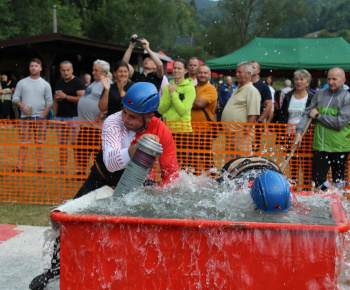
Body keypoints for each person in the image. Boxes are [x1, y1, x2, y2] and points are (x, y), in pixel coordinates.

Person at [29, 82, 179, 290]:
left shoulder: (163, 131)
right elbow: (110, 162)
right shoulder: (112, 121)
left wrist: (160, 196)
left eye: (133, 117)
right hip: (102, 178)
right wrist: (134, 150)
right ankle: (54, 269)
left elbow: (172, 174)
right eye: (125, 112)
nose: (126, 119)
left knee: (137, 229)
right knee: (70, 221)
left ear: (149, 116)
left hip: (138, 184)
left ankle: (134, 272)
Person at [293, 67, 350, 191]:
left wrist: (318, 116)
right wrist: (299, 132)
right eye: (329, 79)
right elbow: (308, 113)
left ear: (343, 80)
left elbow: (339, 123)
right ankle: (333, 195)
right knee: (318, 180)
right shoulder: (320, 94)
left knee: (339, 181)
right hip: (321, 145)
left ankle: (336, 203)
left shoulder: (347, 98)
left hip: (339, 147)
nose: (330, 82)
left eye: (334, 79)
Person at [12, 58, 53, 173]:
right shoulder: (22, 83)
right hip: (25, 118)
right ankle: (19, 166)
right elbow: (15, 98)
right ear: (29, 68)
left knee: (39, 143)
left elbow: (49, 102)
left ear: (40, 68)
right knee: (24, 142)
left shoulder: (45, 84)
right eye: (31, 66)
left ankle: (39, 167)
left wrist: (43, 116)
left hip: (40, 118)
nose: (33, 68)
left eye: (36, 66)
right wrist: (21, 105)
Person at [74, 59, 112, 180]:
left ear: (104, 72)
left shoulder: (106, 83)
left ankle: (98, 175)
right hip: (85, 125)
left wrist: (101, 114)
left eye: (96, 70)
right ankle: (81, 173)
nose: (93, 72)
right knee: (81, 150)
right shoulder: (94, 83)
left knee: (95, 152)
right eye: (93, 69)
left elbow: (109, 101)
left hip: (96, 127)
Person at [158, 58, 196, 171]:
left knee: (184, 164)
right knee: (168, 161)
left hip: (183, 131)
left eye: (179, 68)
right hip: (168, 130)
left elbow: (183, 110)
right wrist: (170, 96)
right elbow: (160, 110)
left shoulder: (190, 88)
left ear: (185, 71)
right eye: (175, 68)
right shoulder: (167, 87)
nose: (176, 70)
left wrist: (174, 94)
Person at [278, 69, 314, 188]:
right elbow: (283, 116)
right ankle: (293, 188)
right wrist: (281, 136)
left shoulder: (312, 97)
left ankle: (306, 188)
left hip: (306, 136)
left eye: (301, 79)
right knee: (292, 163)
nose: (298, 82)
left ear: (307, 82)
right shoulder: (288, 96)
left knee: (306, 165)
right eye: (297, 79)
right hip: (289, 135)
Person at [52, 60, 86, 174]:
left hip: (74, 117)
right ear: (60, 71)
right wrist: (54, 115)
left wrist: (66, 96)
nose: (66, 72)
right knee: (62, 145)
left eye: (68, 70)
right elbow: (55, 100)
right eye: (63, 70)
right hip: (60, 118)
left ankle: (78, 169)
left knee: (75, 145)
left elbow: (82, 99)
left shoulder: (78, 82)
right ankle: (62, 169)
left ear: (72, 70)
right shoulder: (59, 83)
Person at [221, 61, 261, 154]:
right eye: (236, 72)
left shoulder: (252, 90)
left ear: (248, 74)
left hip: (241, 135)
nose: (237, 74)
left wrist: (245, 133)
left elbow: (253, 115)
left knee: (242, 164)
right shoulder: (238, 88)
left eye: (240, 72)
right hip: (231, 135)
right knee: (231, 165)